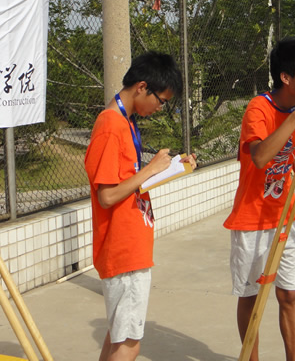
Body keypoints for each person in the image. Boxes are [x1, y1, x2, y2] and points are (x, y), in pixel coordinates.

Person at [84, 51, 197, 361]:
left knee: (117, 337)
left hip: (131, 244)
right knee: (129, 345)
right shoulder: (111, 125)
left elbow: (127, 182)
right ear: (142, 87)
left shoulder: (126, 122)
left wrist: (171, 167)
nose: (160, 108)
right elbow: (107, 196)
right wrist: (149, 169)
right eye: (161, 100)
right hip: (122, 250)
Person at [224, 38, 295, 361]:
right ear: (286, 76)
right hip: (252, 219)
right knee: (251, 296)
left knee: (289, 296)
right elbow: (259, 157)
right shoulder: (260, 108)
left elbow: (294, 156)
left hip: (285, 217)